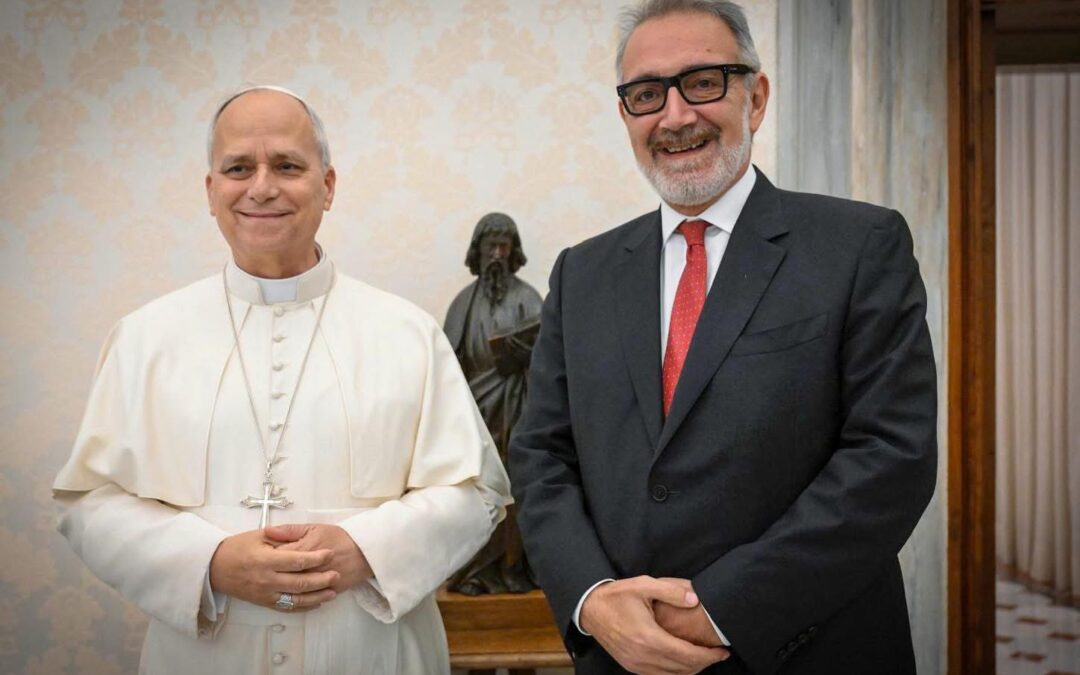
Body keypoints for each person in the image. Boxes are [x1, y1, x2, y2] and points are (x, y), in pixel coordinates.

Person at [508, 1, 938, 673]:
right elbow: (541, 455)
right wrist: (592, 598)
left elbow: (890, 457)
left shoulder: (860, 245)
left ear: (755, 97)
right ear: (626, 114)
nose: (675, 115)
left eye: (703, 82)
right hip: (623, 656)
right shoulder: (581, 272)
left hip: (810, 649)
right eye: (647, 94)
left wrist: (722, 607)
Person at [53, 85, 511, 675]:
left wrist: (365, 550)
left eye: (288, 166)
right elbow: (91, 500)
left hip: (373, 652)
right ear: (211, 190)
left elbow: (476, 492)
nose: (262, 187)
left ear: (328, 185)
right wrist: (210, 562)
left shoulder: (408, 333)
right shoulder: (144, 337)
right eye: (238, 168)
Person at [443, 213, 543, 595]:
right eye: (491, 246)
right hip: (474, 412)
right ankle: (474, 572)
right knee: (475, 490)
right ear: (478, 251)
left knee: (518, 490)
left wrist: (521, 354)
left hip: (519, 412)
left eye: (504, 246)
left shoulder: (528, 298)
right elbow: (447, 364)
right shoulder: (463, 304)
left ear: (513, 251)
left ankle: (516, 569)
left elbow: (549, 357)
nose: (498, 254)